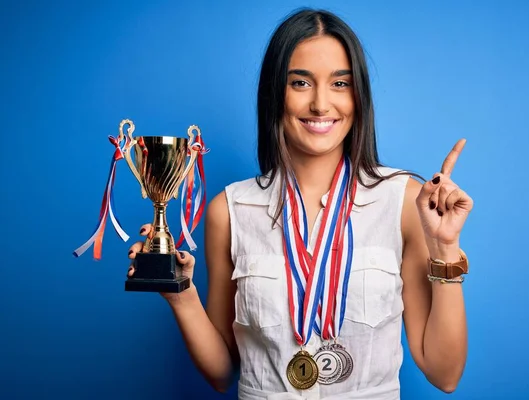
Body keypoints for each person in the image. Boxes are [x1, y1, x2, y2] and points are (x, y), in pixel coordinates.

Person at [127, 8, 473, 400]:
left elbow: (444, 374)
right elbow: (223, 373)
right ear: (276, 93)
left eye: (340, 83)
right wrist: (181, 295)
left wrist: (445, 249)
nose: (322, 105)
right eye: (301, 83)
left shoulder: (404, 200)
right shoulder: (230, 210)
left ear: (359, 95)